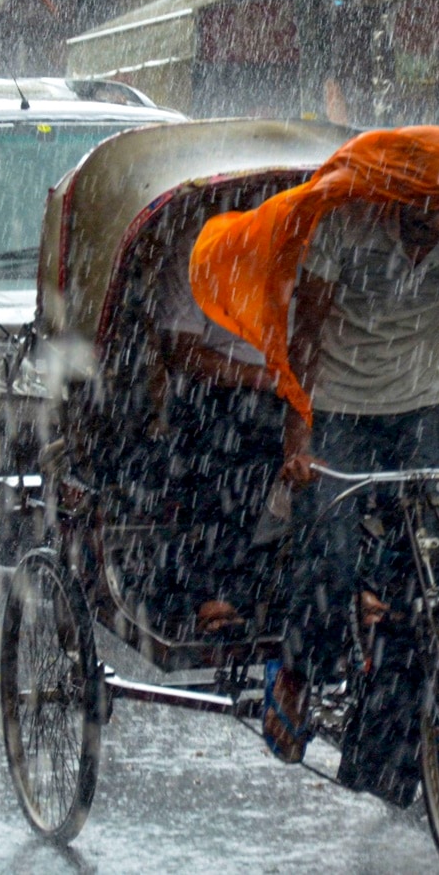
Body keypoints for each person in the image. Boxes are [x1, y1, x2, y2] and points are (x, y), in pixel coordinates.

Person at [189, 127, 439, 795]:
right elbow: (303, 339)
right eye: (413, 221)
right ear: (394, 199)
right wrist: (297, 440)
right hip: (334, 403)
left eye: (437, 223)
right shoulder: (345, 224)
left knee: (428, 570)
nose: (423, 237)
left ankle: (414, 723)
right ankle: (298, 680)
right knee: (329, 557)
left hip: (416, 405)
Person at [149, 211, 284, 634]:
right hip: (222, 391)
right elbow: (182, 351)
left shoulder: (302, 241)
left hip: (299, 383)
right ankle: (218, 588)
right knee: (239, 450)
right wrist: (260, 378)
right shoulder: (199, 247)